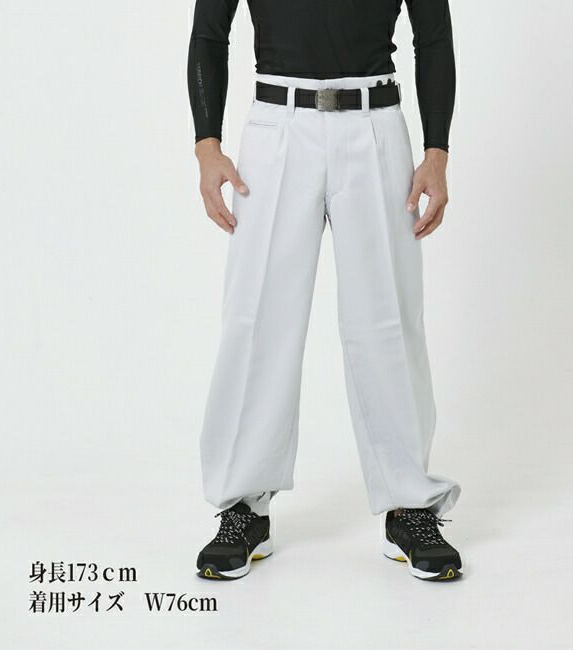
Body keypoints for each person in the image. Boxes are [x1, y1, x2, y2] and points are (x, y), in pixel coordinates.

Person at [188, 0, 463, 582]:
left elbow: (433, 35)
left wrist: (437, 152)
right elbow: (209, 31)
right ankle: (243, 506)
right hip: (277, 124)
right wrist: (207, 146)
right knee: (257, 319)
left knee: (389, 322)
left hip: (375, 123)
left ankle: (409, 504)